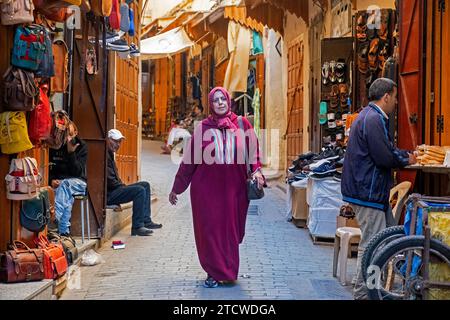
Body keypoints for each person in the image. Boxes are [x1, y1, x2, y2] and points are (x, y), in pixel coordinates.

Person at [169, 87, 265, 288]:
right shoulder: (202, 128)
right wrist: (177, 188)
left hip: (234, 190)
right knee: (211, 231)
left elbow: (253, 151)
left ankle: (228, 271)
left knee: (231, 231)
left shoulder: (241, 124)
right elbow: (189, 161)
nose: (220, 103)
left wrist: (256, 171)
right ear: (211, 104)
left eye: (223, 99)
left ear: (229, 101)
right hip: (206, 192)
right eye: (216, 100)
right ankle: (213, 272)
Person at [341, 78, 416, 300]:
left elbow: (385, 150)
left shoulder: (369, 116)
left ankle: (375, 287)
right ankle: (365, 293)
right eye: (394, 97)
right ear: (386, 97)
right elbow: (383, 156)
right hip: (367, 192)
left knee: (387, 240)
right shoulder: (373, 119)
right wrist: (406, 159)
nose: (395, 102)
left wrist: (403, 156)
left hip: (368, 191)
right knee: (373, 245)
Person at [106, 129, 162, 236]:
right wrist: (122, 187)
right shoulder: (105, 156)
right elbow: (110, 182)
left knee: (145, 185)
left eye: (119, 142)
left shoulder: (110, 155)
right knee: (139, 190)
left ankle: (146, 220)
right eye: (115, 141)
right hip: (110, 195)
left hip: (115, 189)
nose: (118, 144)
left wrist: (122, 187)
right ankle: (137, 226)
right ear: (108, 140)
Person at [49, 121, 88, 236]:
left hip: (79, 183)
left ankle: (54, 219)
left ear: (75, 132)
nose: (68, 137)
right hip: (60, 185)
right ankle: (64, 233)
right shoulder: (55, 146)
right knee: (65, 195)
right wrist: (51, 180)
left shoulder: (81, 146)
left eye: (70, 134)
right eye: (65, 134)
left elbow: (77, 172)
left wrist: (71, 153)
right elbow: (49, 168)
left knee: (65, 186)